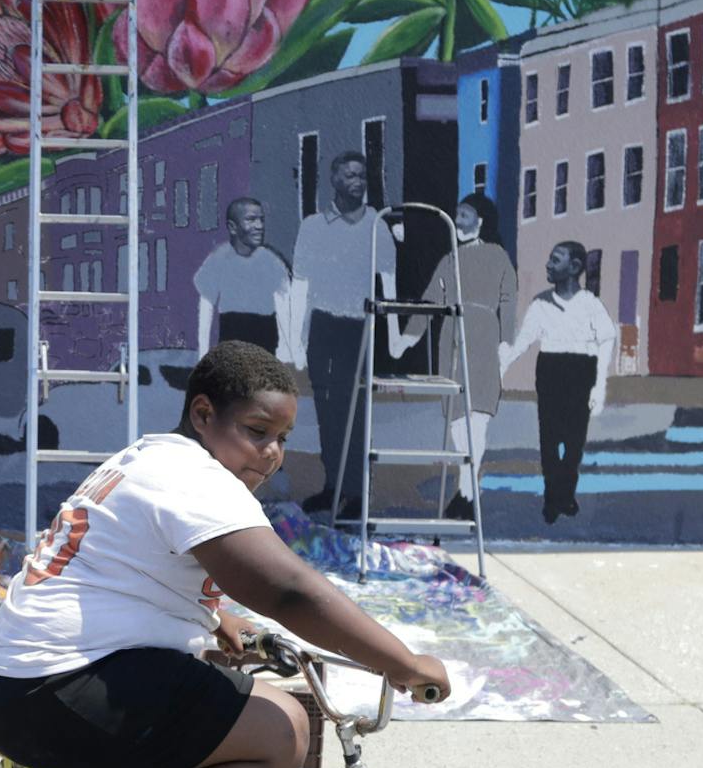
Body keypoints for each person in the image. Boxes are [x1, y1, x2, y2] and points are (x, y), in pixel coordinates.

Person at [0, 341, 451, 768]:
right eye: (257, 432)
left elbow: (126, 567)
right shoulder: (193, 480)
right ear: (203, 414)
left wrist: (220, 622)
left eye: (281, 438)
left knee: (231, 724)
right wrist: (404, 664)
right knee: (282, 730)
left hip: (22, 685)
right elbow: (287, 588)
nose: (272, 454)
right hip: (60, 688)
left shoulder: (150, 458)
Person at [288, 152, 415, 518]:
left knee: (358, 412)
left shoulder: (378, 225)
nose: (357, 181)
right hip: (324, 326)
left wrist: (392, 334)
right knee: (328, 410)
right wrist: (296, 337)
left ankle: (358, 495)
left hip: (361, 327)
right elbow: (300, 283)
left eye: (361, 175)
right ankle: (333, 487)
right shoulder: (313, 226)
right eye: (349, 175)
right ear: (335, 181)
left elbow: (388, 281)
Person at [499, 240, 616, 525]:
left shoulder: (590, 303)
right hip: (551, 369)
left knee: (574, 441)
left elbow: (606, 339)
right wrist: (502, 363)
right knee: (549, 439)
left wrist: (599, 385)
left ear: (574, 267)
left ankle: (566, 493)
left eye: (556, 260)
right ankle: (553, 497)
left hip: (581, 370)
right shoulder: (540, 302)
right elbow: (524, 339)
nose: (548, 265)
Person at [420, 193, 517, 521]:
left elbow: (509, 300)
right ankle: (467, 492)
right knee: (458, 422)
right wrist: (405, 336)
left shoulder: (498, 256)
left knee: (478, 420)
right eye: (456, 213)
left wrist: (506, 343)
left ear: (481, 221)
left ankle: (466, 495)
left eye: (464, 214)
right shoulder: (450, 259)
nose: (458, 220)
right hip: (452, 340)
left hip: (483, 338)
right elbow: (431, 297)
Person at [193, 199, 291, 355]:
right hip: (231, 343)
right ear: (232, 227)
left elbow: (284, 309)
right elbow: (206, 308)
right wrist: (203, 354)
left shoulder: (272, 261)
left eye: (261, 220)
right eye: (251, 220)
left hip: (266, 343)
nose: (259, 226)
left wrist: (287, 351)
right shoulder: (218, 260)